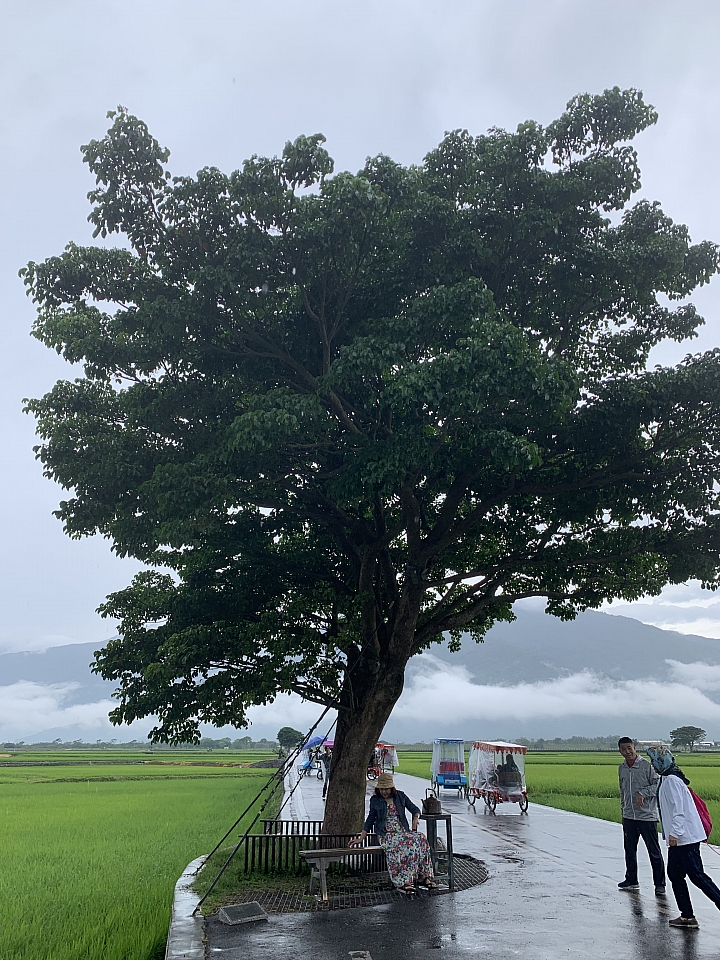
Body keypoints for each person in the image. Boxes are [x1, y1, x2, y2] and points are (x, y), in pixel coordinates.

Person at [648, 745, 720, 930]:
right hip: (681, 838)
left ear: (660, 761)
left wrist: (674, 833)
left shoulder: (671, 780)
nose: (652, 764)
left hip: (684, 838)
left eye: (653, 760)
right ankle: (687, 916)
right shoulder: (667, 778)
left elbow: (678, 810)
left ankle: (692, 914)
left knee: (697, 875)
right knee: (675, 874)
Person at [349, 772, 436, 893]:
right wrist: (361, 838)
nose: (384, 792)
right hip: (386, 835)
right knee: (406, 845)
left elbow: (414, 808)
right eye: (382, 789)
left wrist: (416, 817)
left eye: (387, 789)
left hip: (402, 832)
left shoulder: (400, 796)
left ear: (392, 788)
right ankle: (404, 881)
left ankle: (423, 875)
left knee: (421, 838)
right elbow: (370, 820)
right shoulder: (375, 800)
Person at [617, 736, 666, 895]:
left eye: (629, 748)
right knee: (629, 850)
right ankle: (631, 880)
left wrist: (643, 793)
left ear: (634, 748)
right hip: (630, 816)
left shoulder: (647, 766)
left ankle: (660, 884)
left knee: (654, 851)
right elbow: (622, 791)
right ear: (620, 751)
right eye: (623, 749)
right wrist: (623, 812)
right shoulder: (622, 768)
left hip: (647, 816)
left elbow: (658, 784)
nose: (627, 752)